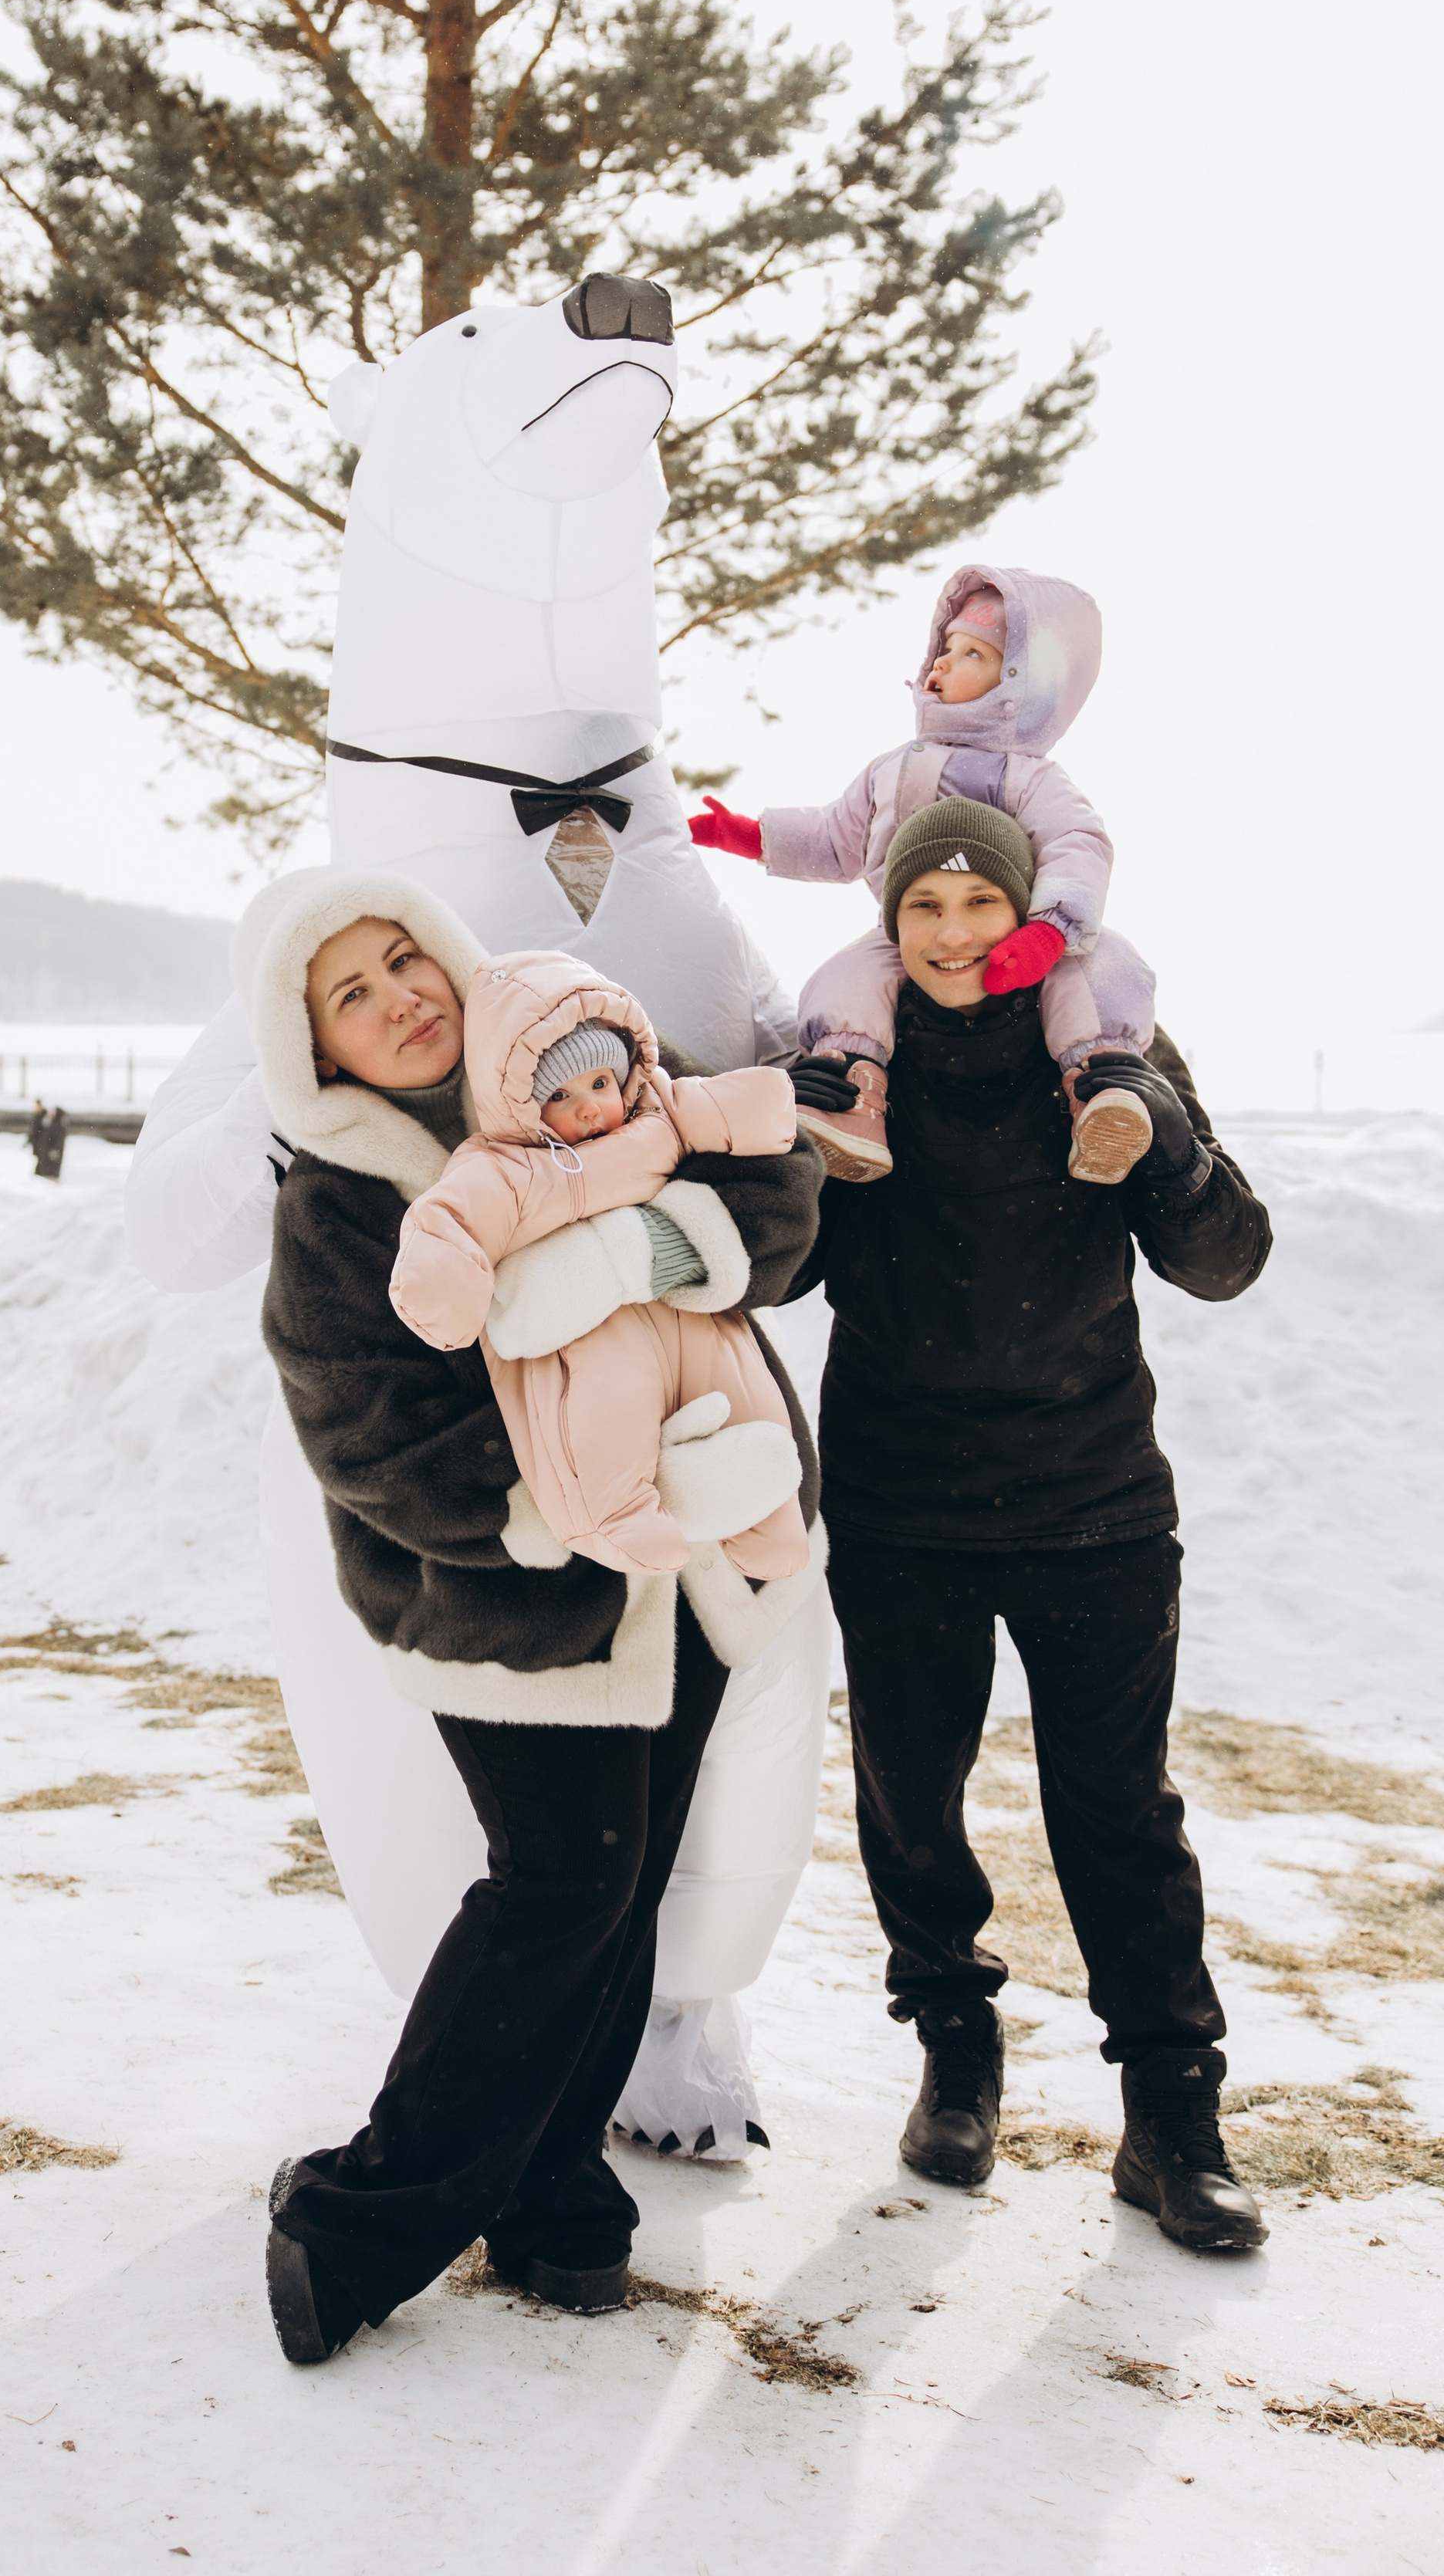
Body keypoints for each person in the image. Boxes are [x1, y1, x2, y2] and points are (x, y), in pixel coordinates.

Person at [242, 868, 823, 2361]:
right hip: (510, 1605)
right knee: (564, 1882)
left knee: (620, 1891)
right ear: (312, 1044)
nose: (398, 1000)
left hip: (689, 1562)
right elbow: (366, 1434)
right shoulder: (340, 1201)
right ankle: (358, 2219)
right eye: (351, 996)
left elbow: (779, 1191)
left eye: (401, 959)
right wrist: (549, 1511)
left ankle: (556, 2195)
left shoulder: (573, 1041)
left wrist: (646, 1249)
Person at [783, 797, 1274, 2253]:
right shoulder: (851, 1059)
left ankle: (1173, 2116)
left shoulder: (1102, 1047)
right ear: (890, 923)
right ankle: (956, 2048)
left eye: (978, 903)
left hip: (1092, 1499)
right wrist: (785, 1148)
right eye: (923, 908)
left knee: (1119, 1809)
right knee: (911, 1795)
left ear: (1025, 912)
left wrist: (1163, 1145)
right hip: (903, 1504)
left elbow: (1226, 1261)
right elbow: (775, 1274)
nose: (952, 934)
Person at [690, 564, 1159, 1188]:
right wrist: (751, 836)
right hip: (908, 933)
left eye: (972, 654)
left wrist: (1049, 932)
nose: (942, 662)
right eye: (945, 647)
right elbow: (835, 838)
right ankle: (853, 1096)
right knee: (843, 978)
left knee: (1104, 968)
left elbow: (1078, 844)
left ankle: (1101, 1087)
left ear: (1017, 686)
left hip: (1020, 933)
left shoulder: (1028, 776)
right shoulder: (893, 769)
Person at [390, 948, 810, 1586]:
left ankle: (772, 1525)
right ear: (518, 1103)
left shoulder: (657, 1113)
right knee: (601, 1415)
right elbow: (451, 1218)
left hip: (687, 1309)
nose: (588, 1108)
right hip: (593, 1333)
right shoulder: (506, 1166)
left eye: (599, 1084)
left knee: (746, 1390)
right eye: (559, 1095)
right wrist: (440, 1285)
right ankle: (615, 1517)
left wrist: (763, 1107)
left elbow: (712, 1107)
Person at [25, 1100, 68, 1181]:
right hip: (45, 1151)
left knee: (51, 1171)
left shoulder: (58, 1126)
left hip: (52, 1153)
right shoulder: (50, 1123)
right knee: (44, 1168)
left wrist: (55, 1149)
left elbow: (59, 1140)